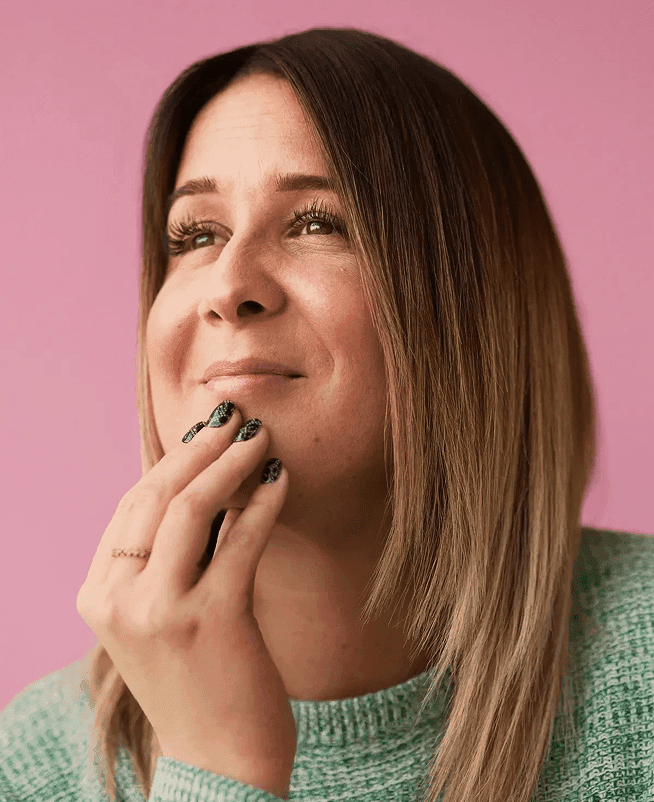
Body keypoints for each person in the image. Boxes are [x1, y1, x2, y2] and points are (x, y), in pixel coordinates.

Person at [2, 26, 653, 802]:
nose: (227, 284)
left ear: (471, 308)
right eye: (196, 234)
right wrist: (217, 768)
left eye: (317, 224)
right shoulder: (34, 763)